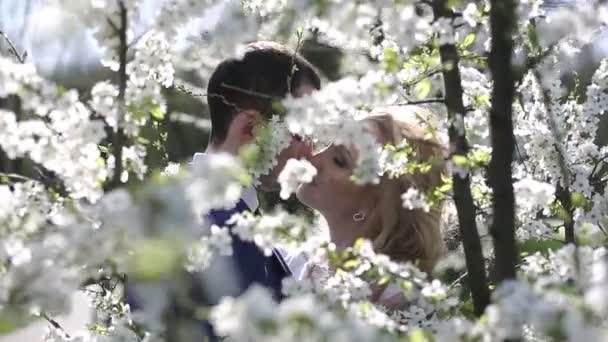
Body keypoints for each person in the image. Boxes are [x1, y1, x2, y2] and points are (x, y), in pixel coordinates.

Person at [126, 41, 321, 338]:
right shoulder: (220, 229)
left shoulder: (172, 209)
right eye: (301, 131)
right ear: (252, 127)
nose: (310, 149)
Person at [292, 105, 447, 309]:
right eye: (328, 144)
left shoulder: (392, 300)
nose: (314, 158)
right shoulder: (299, 258)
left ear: (377, 205)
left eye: (339, 161)